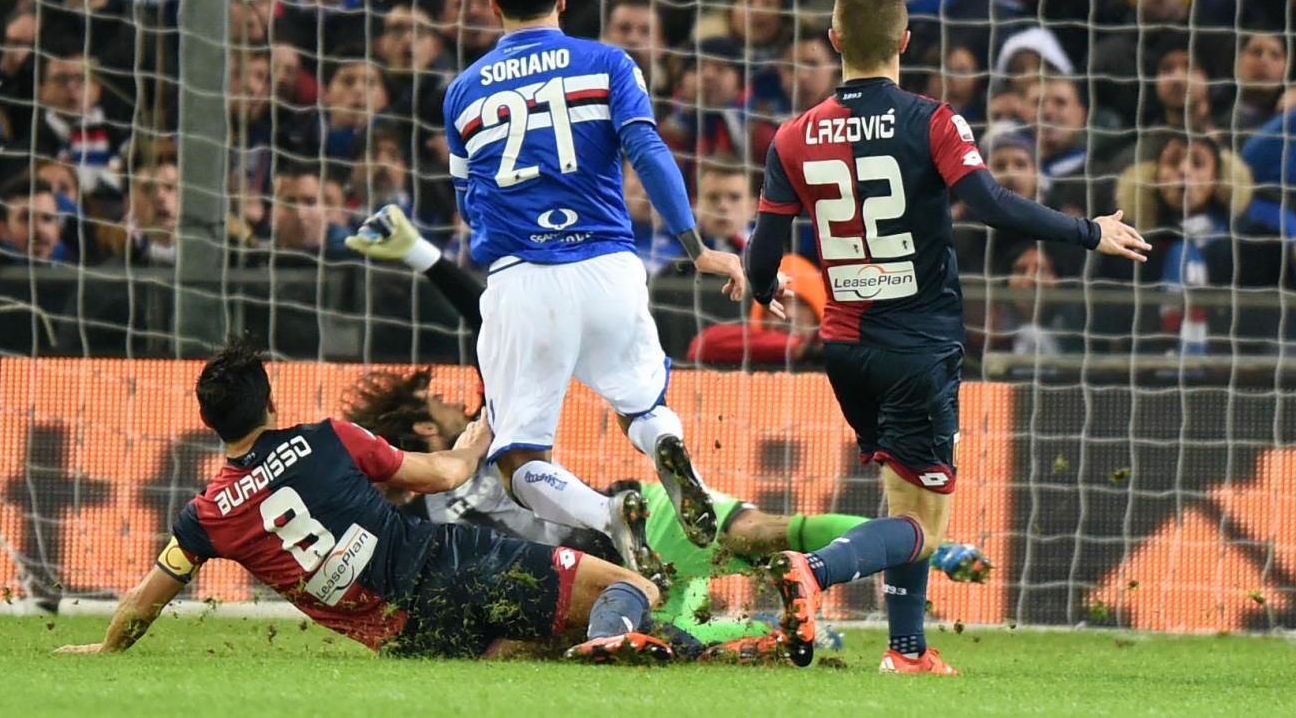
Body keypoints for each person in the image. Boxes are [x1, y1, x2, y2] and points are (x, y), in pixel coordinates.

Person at [345, 204, 993, 660]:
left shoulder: (484, 438)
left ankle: (927, 552)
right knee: (687, 621)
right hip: (590, 572)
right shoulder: (434, 497)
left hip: (620, 537)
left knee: (754, 536)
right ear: (425, 425)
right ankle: (768, 630)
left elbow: (491, 321)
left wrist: (424, 258)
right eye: (439, 402)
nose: (456, 403)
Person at [742, 0, 1150, 673]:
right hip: (917, 346)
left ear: (834, 39)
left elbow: (763, 251)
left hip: (843, 346)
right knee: (923, 525)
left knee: (904, 496)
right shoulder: (932, 120)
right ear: (906, 40)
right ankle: (812, 569)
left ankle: (906, 649)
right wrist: (1088, 230)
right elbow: (990, 204)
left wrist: (762, 286)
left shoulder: (792, 134)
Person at [54, 338, 675, 663]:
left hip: (409, 638)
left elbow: (145, 600)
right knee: (633, 587)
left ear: (210, 423)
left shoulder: (207, 516)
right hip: (450, 568)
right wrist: (485, 430)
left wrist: (108, 647)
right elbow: (446, 473)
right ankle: (612, 642)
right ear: (270, 402)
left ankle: (695, 651)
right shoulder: (329, 439)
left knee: (533, 643)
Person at [440, 0, 750, 582]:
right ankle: (666, 446)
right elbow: (648, 151)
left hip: (523, 279)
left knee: (518, 459)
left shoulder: (463, 92)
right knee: (643, 405)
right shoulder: (608, 63)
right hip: (609, 267)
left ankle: (609, 515)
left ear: (493, 5)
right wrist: (697, 249)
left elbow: (468, 201)